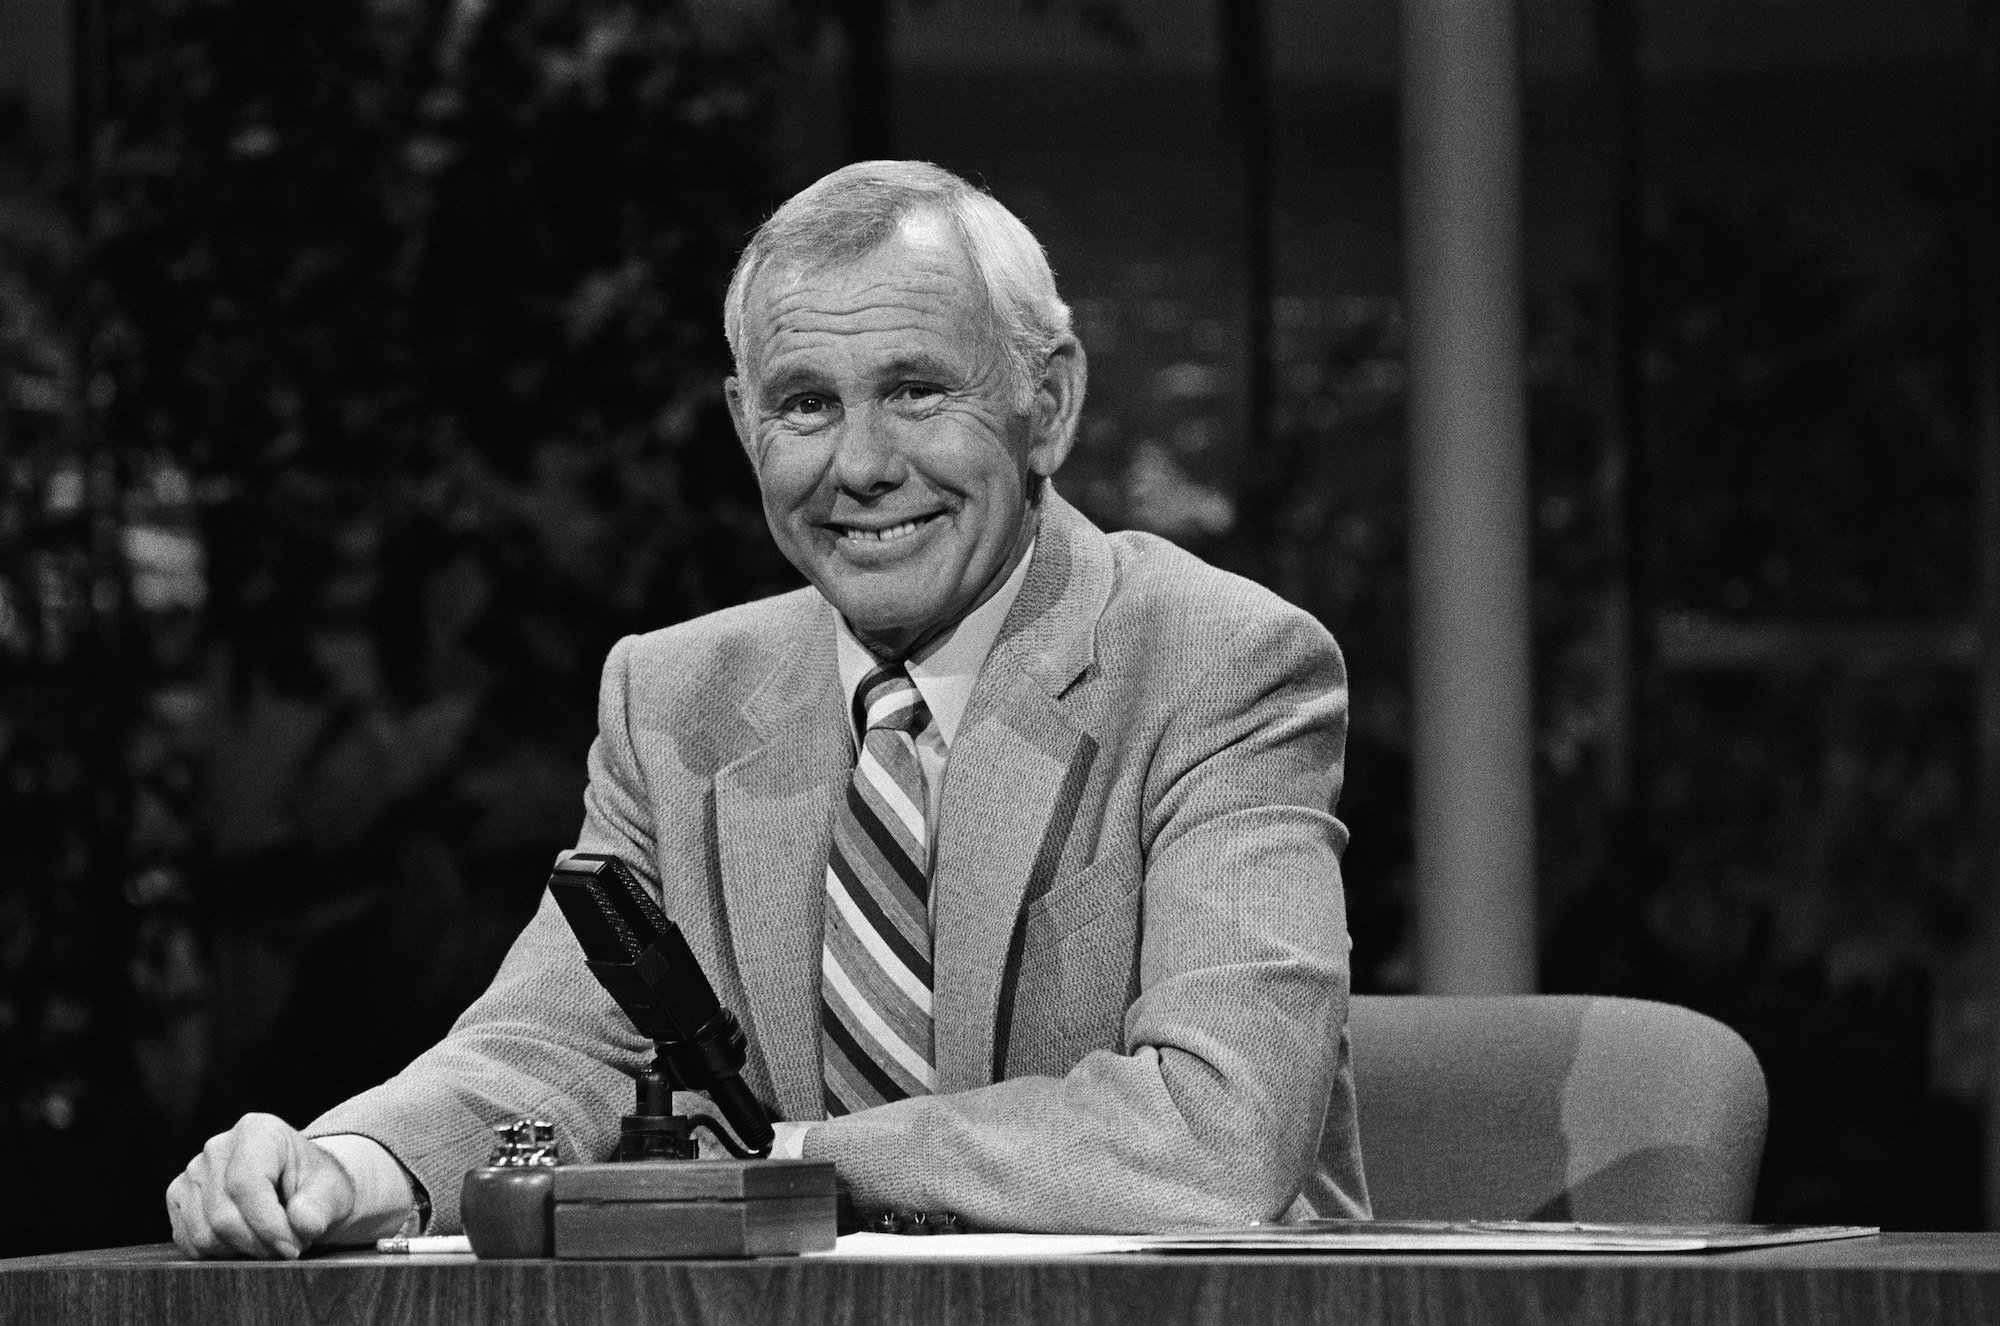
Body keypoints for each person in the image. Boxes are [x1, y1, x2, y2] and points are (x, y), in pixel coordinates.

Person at [166, 160, 1367, 1258]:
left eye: (914, 390)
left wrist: (786, 1164)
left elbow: (1218, 1131)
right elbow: (556, 1045)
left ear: (1045, 403)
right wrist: (339, 1166)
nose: (859, 465)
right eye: (804, 404)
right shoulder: (674, 695)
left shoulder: (1219, 662)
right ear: (744, 423)